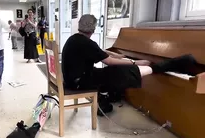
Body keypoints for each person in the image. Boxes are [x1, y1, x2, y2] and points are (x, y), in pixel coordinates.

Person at [61, 14, 198, 116]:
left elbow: (100, 52)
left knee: (111, 72)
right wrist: (134, 62)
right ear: (94, 28)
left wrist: (119, 56)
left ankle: (104, 99)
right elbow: (108, 60)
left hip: (73, 80)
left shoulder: (75, 39)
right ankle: (164, 66)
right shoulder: (87, 43)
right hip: (80, 83)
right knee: (119, 72)